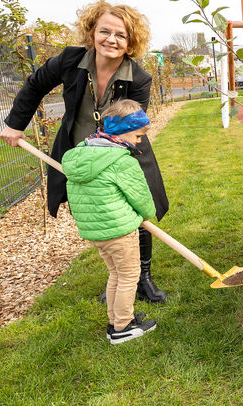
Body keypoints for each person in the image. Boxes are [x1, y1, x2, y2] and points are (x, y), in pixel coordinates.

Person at [0, 0, 169, 303]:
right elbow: (35, 84)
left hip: (123, 152)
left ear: (130, 41)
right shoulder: (69, 61)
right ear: (92, 31)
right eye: (105, 31)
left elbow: (130, 127)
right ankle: (119, 278)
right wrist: (15, 123)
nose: (112, 40)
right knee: (104, 215)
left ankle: (142, 277)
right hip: (79, 148)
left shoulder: (139, 78)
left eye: (121, 35)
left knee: (134, 212)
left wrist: (106, 160)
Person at [63, 99, 159, 344]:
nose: (139, 141)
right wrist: (147, 214)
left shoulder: (82, 155)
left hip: (97, 231)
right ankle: (124, 327)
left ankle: (116, 321)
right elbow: (142, 198)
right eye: (138, 136)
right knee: (129, 275)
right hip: (119, 230)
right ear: (124, 131)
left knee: (116, 274)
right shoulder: (122, 161)